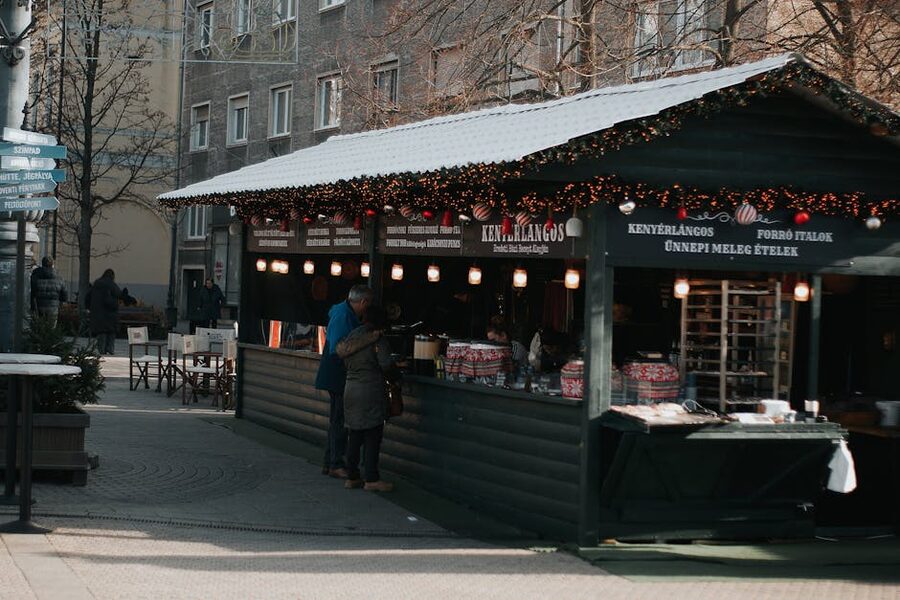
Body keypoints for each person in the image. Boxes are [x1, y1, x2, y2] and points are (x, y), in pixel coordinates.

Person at [336, 305, 398, 492]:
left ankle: (352, 476)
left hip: (350, 389)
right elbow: (386, 364)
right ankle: (371, 478)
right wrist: (397, 377)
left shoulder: (353, 335)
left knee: (354, 434)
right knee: (373, 435)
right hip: (370, 391)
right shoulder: (378, 339)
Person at [314, 284, 373, 478]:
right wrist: (370, 339)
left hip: (335, 373)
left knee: (337, 419)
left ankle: (329, 462)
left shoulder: (342, 311)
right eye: (368, 304)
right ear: (363, 301)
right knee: (339, 420)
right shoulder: (343, 316)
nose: (368, 309)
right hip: (336, 373)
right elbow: (339, 349)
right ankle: (335, 464)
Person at [86, 268, 123, 355]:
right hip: (110, 313)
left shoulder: (96, 284)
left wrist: (89, 308)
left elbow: (87, 297)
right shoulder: (112, 285)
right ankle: (110, 349)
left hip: (97, 314)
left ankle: (101, 349)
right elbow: (119, 294)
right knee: (111, 332)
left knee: (101, 332)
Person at [30, 256, 67, 328]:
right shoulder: (59, 278)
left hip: (38, 307)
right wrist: (60, 304)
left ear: (42, 264)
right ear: (52, 265)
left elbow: (32, 292)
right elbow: (64, 295)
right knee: (51, 330)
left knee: (38, 329)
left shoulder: (35, 276)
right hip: (53, 308)